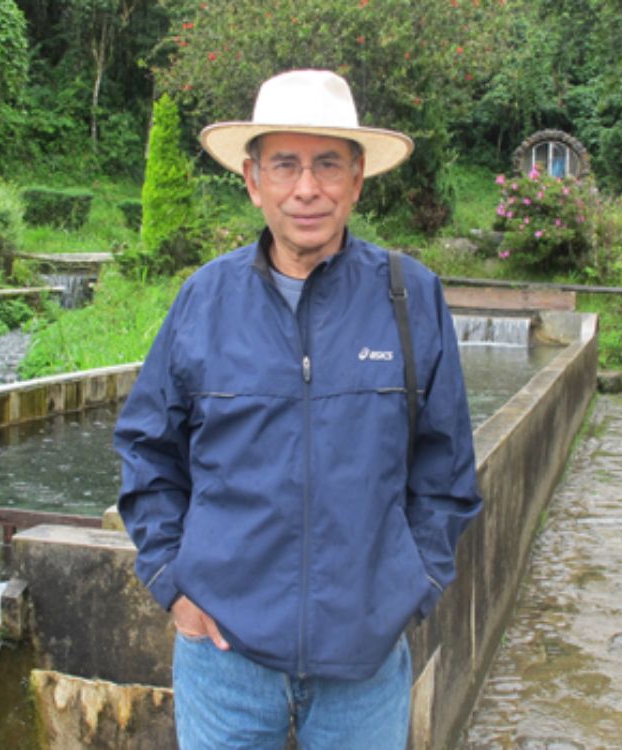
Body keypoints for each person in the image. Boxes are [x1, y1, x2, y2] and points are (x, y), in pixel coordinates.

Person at [114, 69, 482, 749]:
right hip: (223, 663)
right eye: (285, 164)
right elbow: (147, 450)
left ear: (357, 179)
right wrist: (174, 584)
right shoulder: (204, 300)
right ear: (253, 181)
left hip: (364, 671)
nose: (306, 188)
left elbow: (446, 469)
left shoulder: (411, 299)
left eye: (326, 164)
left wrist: (413, 586)